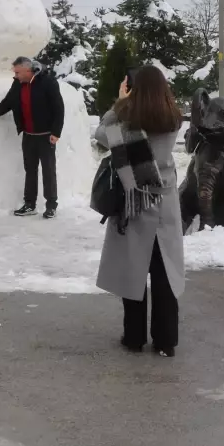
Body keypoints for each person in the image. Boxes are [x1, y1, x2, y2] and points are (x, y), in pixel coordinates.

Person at [94, 65, 185, 357]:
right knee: (165, 274)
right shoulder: (173, 116)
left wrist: (120, 101)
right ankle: (166, 340)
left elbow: (102, 134)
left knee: (133, 271)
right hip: (165, 203)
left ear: (132, 87)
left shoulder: (126, 119)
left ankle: (133, 336)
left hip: (134, 200)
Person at [0, 57, 64, 219]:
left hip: (46, 136)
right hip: (28, 136)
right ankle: (29, 204)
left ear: (28, 70)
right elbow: (5, 105)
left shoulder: (48, 82)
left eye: (18, 72)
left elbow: (59, 108)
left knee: (48, 171)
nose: (15, 76)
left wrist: (56, 133)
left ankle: (51, 205)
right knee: (30, 171)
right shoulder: (18, 84)